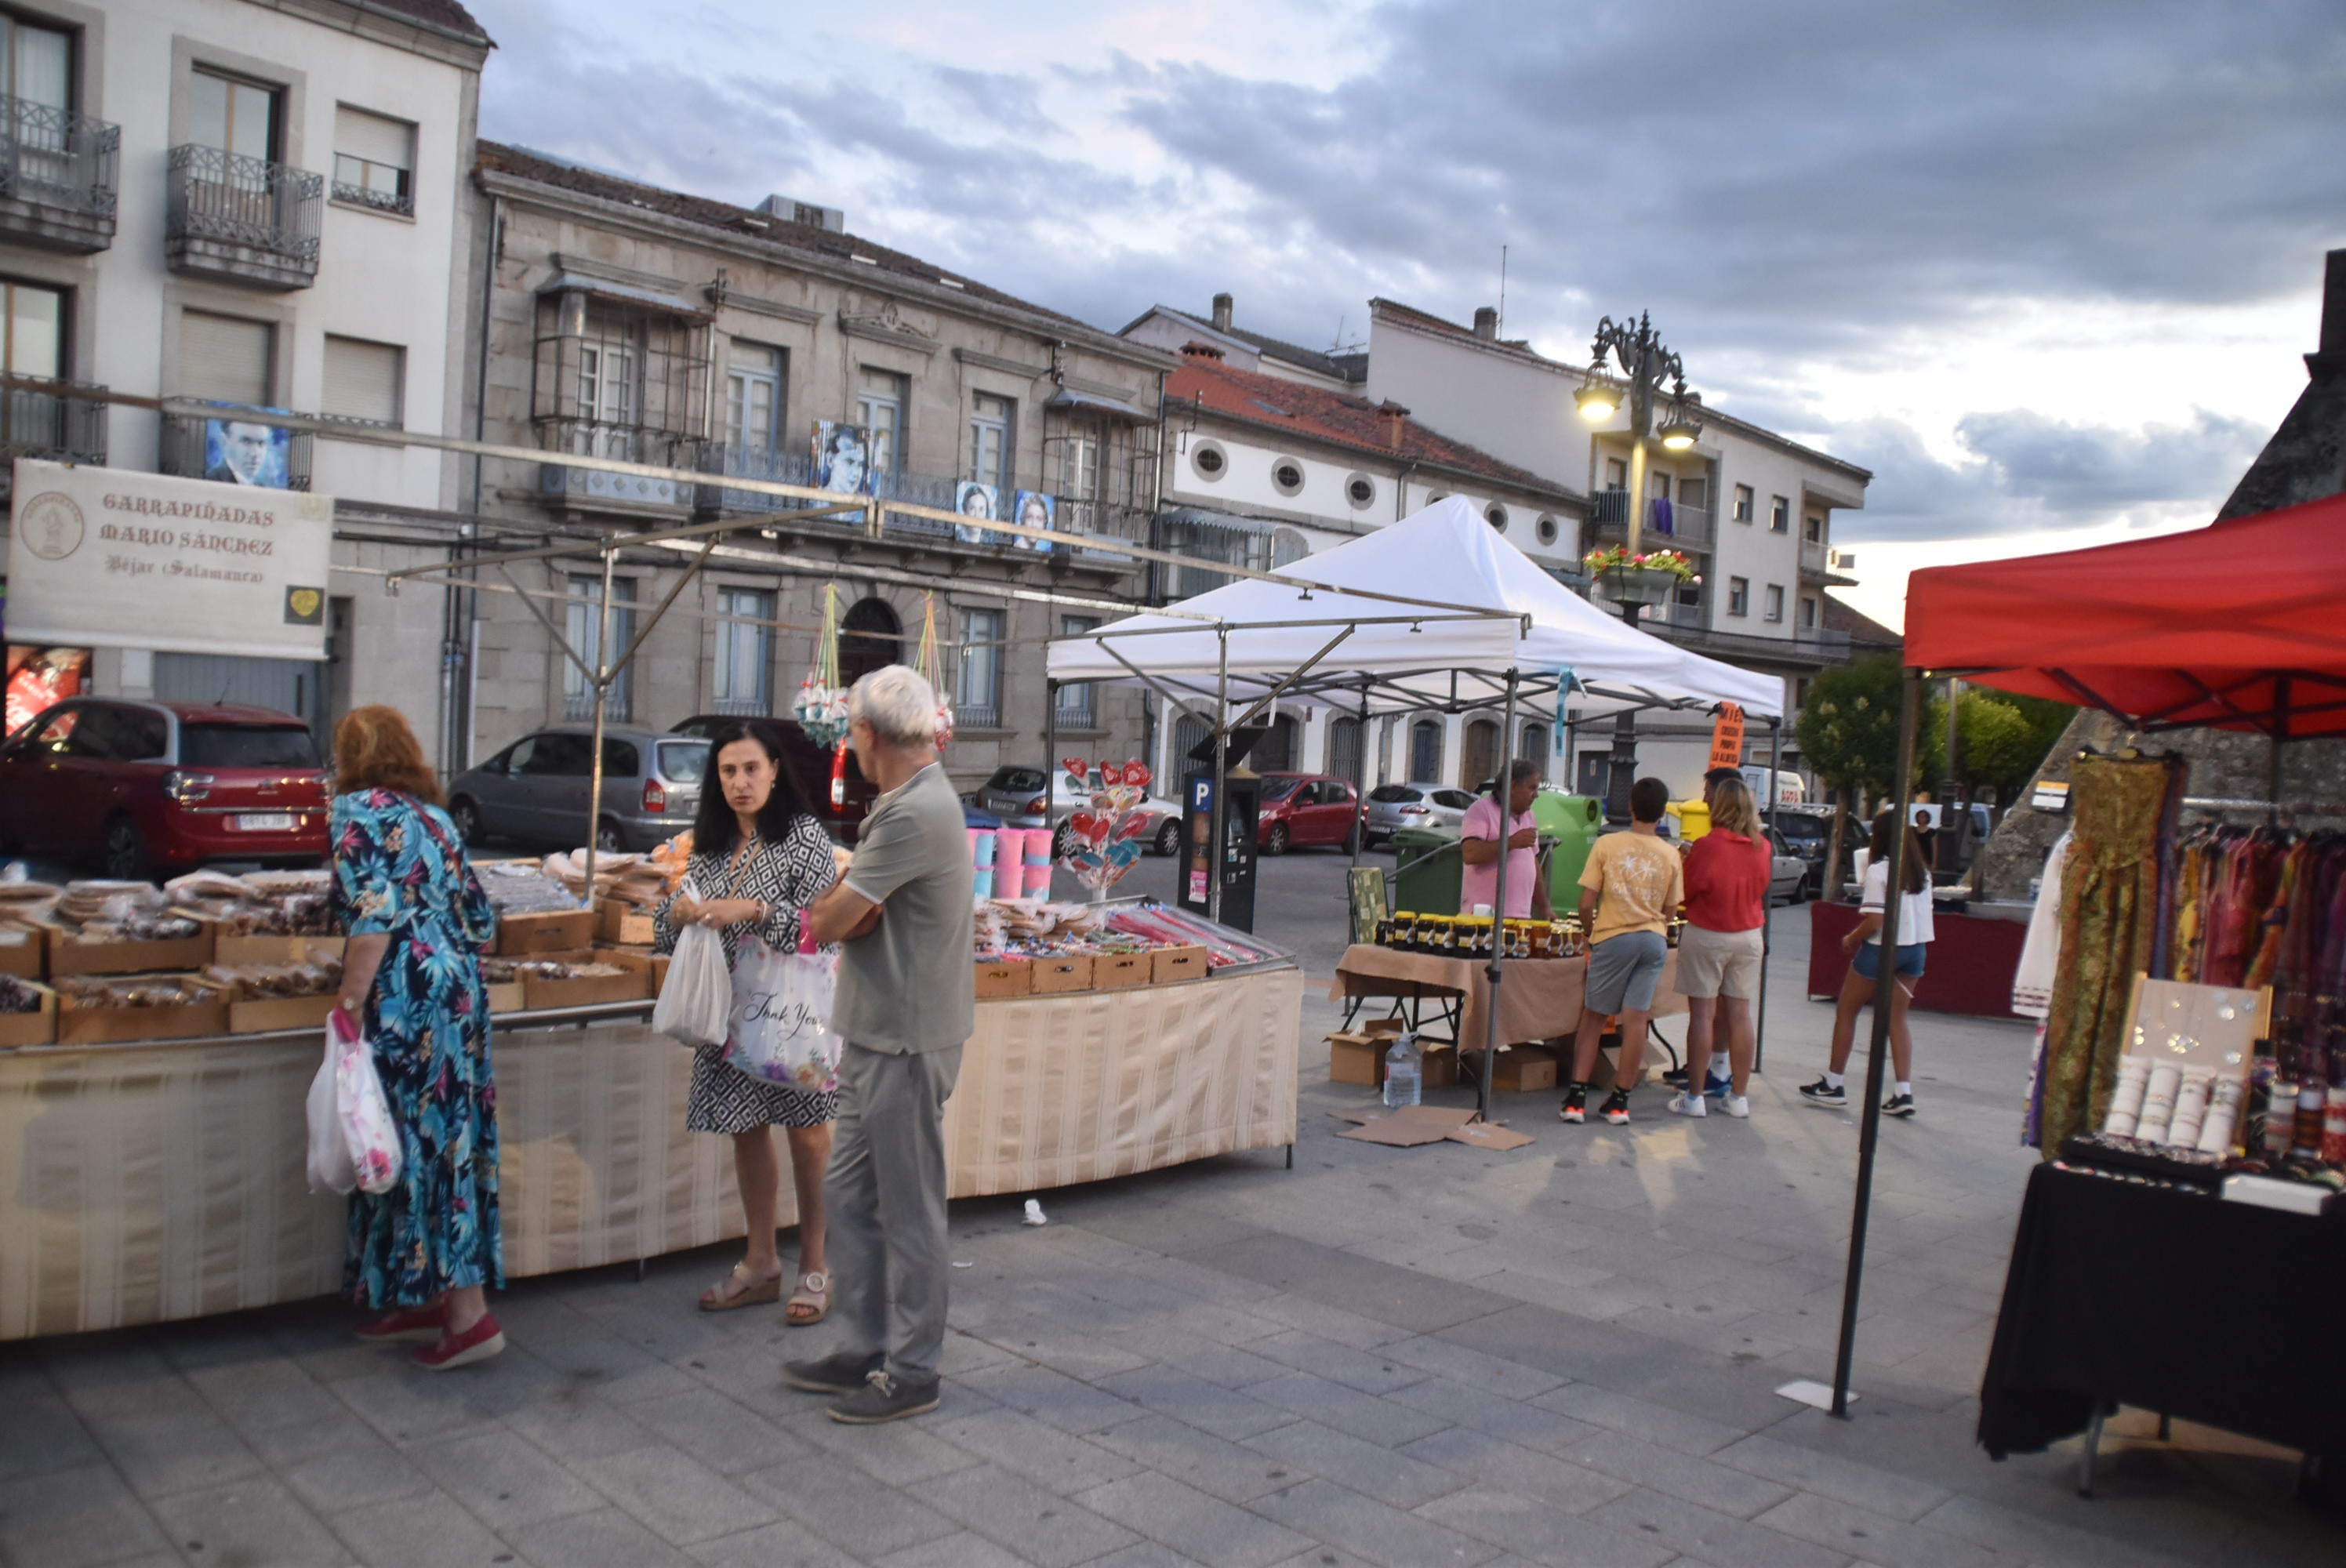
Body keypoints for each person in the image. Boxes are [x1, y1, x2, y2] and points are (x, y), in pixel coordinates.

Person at [787, 666, 975, 1423]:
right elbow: (854, 910)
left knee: (910, 1208)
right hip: (878, 1032)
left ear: (866, 733)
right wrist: (844, 901)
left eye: (849, 730)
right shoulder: (909, 803)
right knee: (848, 1194)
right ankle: (863, 1344)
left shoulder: (913, 813)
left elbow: (835, 920)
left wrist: (832, 905)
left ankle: (914, 1370)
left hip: (905, 1037)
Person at [328, 706, 506, 1370]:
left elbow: (372, 919)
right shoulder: (433, 817)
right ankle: (432, 1293)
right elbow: (483, 920)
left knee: (418, 1147)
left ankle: (469, 1317)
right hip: (458, 988)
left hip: (406, 996)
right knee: (451, 1141)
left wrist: (347, 1004)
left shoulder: (356, 811)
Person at [654, 720, 841, 1323]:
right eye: (729, 771)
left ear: (776, 771)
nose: (740, 782)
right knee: (747, 1131)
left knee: (809, 1141)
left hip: (790, 1015)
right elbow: (665, 927)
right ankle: (761, 1262)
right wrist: (679, 912)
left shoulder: (805, 837)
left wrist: (757, 910)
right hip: (728, 1015)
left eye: (751, 769)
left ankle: (815, 1266)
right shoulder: (707, 843)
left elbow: (824, 927)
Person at [1563, 777, 1683, 1127]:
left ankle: (1576, 1098)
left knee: (1594, 1019)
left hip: (1613, 936)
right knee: (1636, 1022)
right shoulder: (1671, 853)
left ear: (1630, 806)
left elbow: (1586, 903)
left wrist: (1590, 932)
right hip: (1653, 939)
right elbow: (1671, 910)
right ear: (1662, 814)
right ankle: (1620, 1101)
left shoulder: (1607, 845)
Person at [1803, 808, 1936, 1118]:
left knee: (1847, 1010)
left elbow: (1876, 920)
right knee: (1897, 1019)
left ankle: (1834, 1083)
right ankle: (1904, 1091)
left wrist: (1851, 938)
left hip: (1882, 949)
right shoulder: (1922, 872)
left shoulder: (1880, 870)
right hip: (1916, 948)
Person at [1669, 777, 1770, 1120]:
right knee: (1741, 1016)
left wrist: (1688, 856)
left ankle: (1695, 1097)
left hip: (1709, 932)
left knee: (1702, 1016)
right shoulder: (1763, 846)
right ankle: (1738, 1096)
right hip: (1748, 934)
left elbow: (1689, 890)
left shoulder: (1708, 845)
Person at [1459, 759, 1552, 920]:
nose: (1536, 795)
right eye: (1532, 788)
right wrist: (1511, 842)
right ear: (1514, 786)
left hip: (1521, 917)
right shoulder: (1480, 811)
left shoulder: (1529, 816)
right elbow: (1470, 853)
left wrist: (1544, 907)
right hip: (1485, 917)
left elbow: (1533, 863)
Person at [205, 419, 278, 486]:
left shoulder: (262, 489)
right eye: (246, 442)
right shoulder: (209, 481)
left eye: (261, 443)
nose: (255, 454)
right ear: (224, 441)